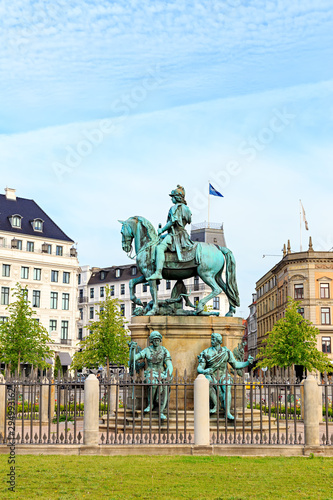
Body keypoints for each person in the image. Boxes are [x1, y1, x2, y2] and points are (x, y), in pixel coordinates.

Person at [197, 333, 253, 419]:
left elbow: (235, 364)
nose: (212, 341)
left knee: (227, 385)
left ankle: (227, 412)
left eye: (214, 339)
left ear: (219, 341)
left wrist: (247, 363)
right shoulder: (206, 352)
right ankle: (215, 405)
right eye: (211, 339)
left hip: (223, 375)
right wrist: (205, 370)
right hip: (211, 375)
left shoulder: (226, 352)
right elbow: (199, 368)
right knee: (207, 382)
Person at [148, 185, 194, 280]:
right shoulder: (186, 209)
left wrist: (162, 230)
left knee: (159, 248)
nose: (171, 199)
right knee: (159, 239)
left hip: (175, 236)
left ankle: (158, 272)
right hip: (183, 235)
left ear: (176, 197)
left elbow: (172, 222)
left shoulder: (175, 208)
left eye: (172, 197)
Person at [130, 331, 173, 420]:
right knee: (153, 382)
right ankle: (151, 404)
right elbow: (134, 358)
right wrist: (132, 350)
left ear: (160, 340)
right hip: (150, 372)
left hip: (162, 373)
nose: (156, 342)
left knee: (165, 384)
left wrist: (167, 374)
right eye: (154, 340)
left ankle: (161, 411)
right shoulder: (147, 350)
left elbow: (169, 365)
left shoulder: (164, 350)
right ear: (152, 341)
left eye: (158, 340)